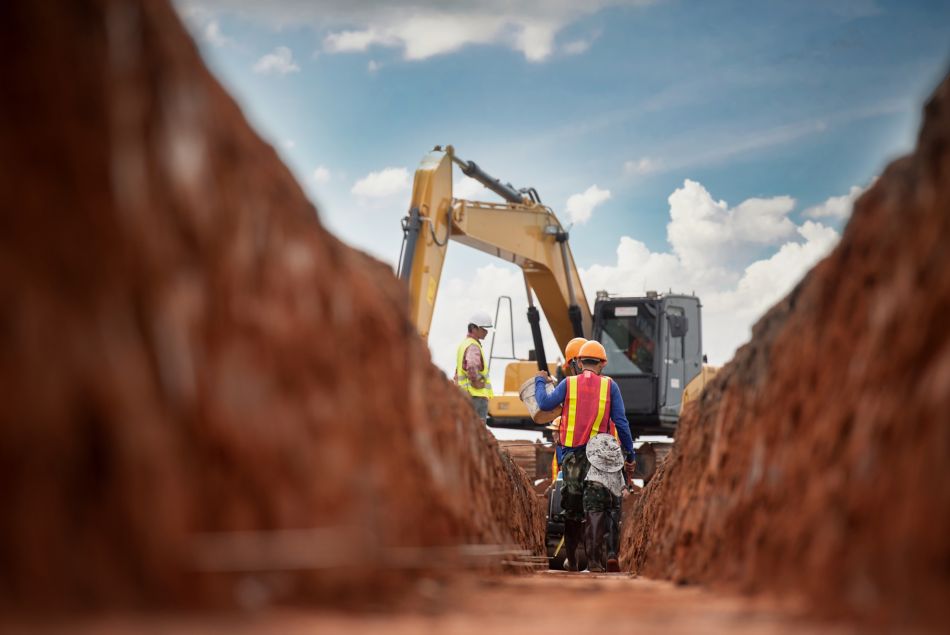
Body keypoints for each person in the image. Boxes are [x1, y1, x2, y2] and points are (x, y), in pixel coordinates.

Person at [535, 340, 636, 572]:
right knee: (596, 508)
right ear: (602, 364)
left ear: (579, 363)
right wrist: (630, 454)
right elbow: (621, 423)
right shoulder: (610, 387)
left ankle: (572, 560)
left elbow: (543, 403)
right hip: (599, 458)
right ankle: (593, 562)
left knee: (572, 508)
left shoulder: (568, 384)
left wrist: (541, 381)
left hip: (572, 457)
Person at [455, 311, 494, 422]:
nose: (486, 332)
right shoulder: (473, 346)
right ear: (474, 328)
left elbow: (458, 370)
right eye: (483, 329)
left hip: (466, 396)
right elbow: (472, 366)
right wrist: (475, 382)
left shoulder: (464, 344)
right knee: (478, 433)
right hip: (476, 397)